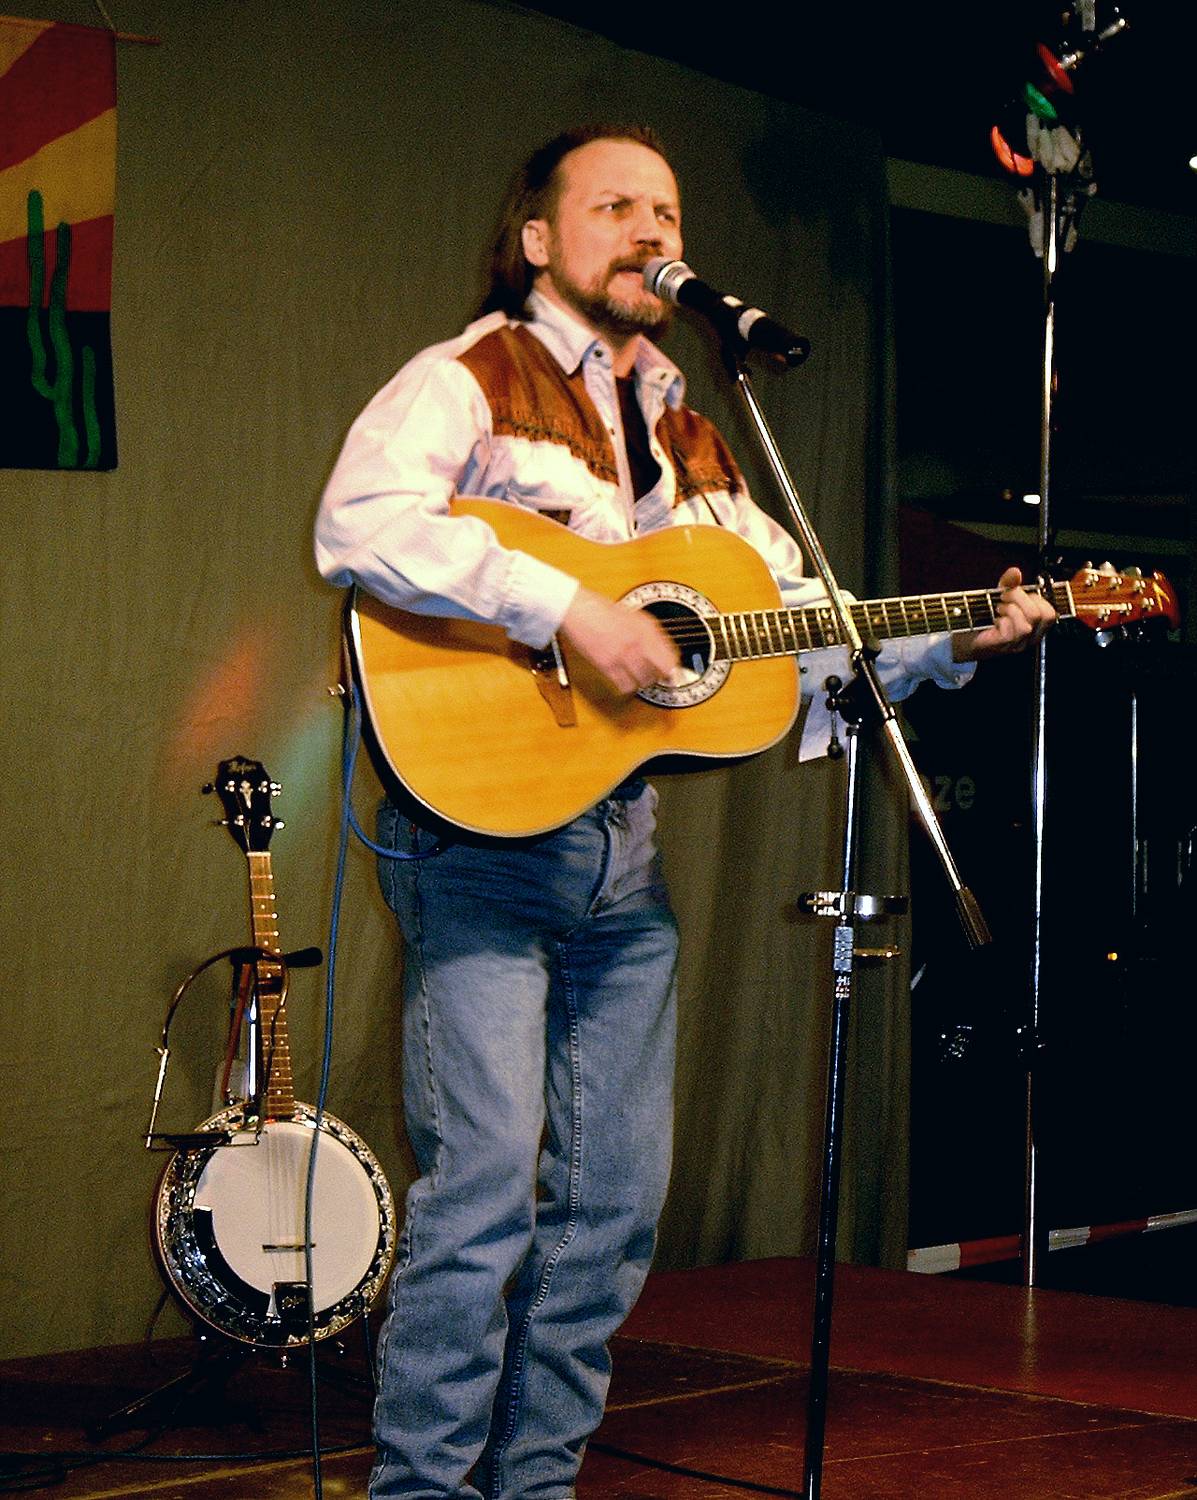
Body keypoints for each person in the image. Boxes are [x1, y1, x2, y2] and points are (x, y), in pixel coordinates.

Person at [315, 123, 1055, 1500]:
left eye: (664, 209)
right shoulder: (469, 376)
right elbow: (360, 522)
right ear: (538, 239)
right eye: (613, 206)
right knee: (483, 1195)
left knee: (609, 1207)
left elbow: (794, 623)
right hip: (475, 842)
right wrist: (565, 606)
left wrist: (957, 636)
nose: (650, 229)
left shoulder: (696, 428)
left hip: (618, 851)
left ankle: (535, 1485)